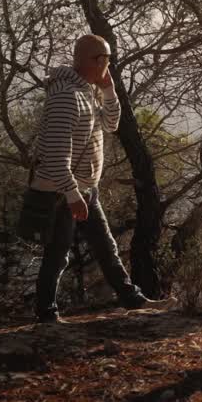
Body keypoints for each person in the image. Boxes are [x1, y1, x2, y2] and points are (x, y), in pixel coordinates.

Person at [30, 34, 160, 323]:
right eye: (104, 58)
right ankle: (46, 315)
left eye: (109, 58)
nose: (108, 64)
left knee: (106, 248)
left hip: (85, 188)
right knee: (58, 255)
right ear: (91, 60)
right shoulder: (67, 96)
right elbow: (54, 153)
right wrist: (72, 195)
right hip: (62, 192)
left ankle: (134, 300)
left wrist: (109, 91)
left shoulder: (86, 91)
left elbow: (111, 124)